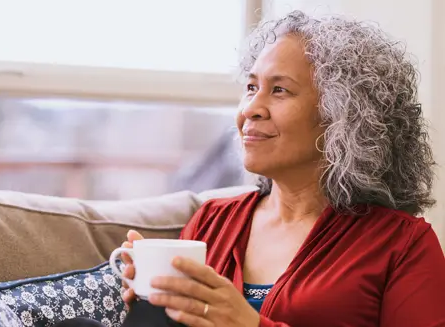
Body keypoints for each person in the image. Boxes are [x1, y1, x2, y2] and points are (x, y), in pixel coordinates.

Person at [119, 10, 445, 327]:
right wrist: (151, 308)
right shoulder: (211, 221)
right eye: (250, 87)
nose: (251, 109)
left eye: (279, 90)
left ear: (343, 116)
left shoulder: (402, 245)